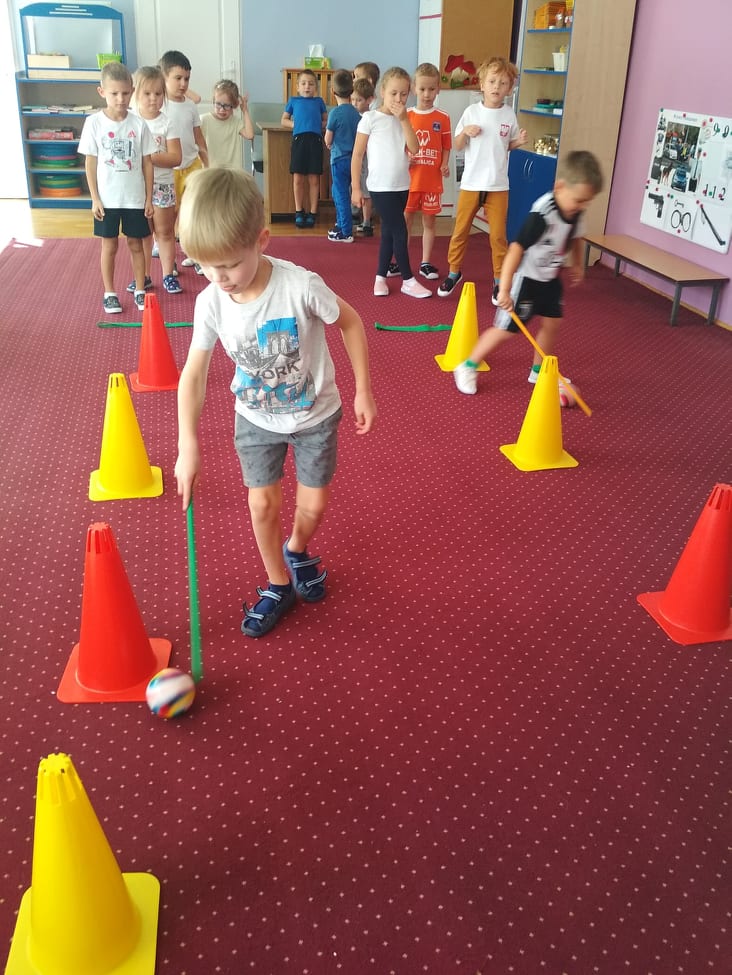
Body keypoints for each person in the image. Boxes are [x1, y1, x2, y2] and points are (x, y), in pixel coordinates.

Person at [174, 168, 377, 638]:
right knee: (261, 503)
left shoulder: (300, 286)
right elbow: (194, 374)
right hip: (255, 419)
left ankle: (297, 548)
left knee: (313, 505)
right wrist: (188, 443)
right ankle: (278, 582)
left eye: (229, 264)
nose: (218, 278)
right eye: (204, 266)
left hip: (314, 416)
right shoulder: (211, 302)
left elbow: (351, 322)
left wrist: (363, 388)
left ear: (261, 241)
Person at [452, 150, 603, 397]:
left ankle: (538, 370)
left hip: (550, 278)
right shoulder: (543, 214)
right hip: (525, 280)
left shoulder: (575, 211)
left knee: (553, 323)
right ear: (560, 187)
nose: (582, 207)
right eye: (578, 200)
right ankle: (468, 366)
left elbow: (576, 237)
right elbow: (515, 250)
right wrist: (504, 289)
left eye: (587, 202)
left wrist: (577, 264)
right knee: (506, 330)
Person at [437, 57, 527, 301]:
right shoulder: (472, 112)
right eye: (492, 81)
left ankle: (499, 281)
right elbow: (457, 145)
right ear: (482, 84)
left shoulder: (509, 115)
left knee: (498, 237)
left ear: (510, 89)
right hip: (471, 184)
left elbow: (506, 145)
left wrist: (518, 142)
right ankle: (454, 272)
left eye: (503, 83)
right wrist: (465, 132)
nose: (497, 87)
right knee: (460, 231)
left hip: (498, 186)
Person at [79, 61, 155, 314]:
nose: (121, 99)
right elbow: (90, 162)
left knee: (136, 244)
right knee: (109, 245)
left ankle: (140, 289)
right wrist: (94, 198)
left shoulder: (139, 124)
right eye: (114, 93)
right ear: (102, 92)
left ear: (132, 91)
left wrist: (148, 198)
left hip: (134, 198)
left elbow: (147, 163)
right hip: (107, 199)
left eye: (125, 93)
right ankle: (110, 293)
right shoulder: (93, 123)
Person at [350, 66, 431, 299]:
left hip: (402, 185)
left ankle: (380, 278)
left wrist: (404, 119)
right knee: (399, 230)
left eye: (404, 94)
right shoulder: (370, 119)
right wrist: (356, 187)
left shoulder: (405, 118)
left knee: (387, 231)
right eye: (394, 93)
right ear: (382, 92)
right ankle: (407, 279)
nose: (398, 99)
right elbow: (357, 155)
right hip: (380, 186)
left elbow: (414, 148)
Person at [130, 65, 183, 295]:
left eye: (158, 93)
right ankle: (143, 276)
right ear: (136, 93)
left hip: (162, 186)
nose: (153, 98)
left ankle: (168, 274)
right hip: (137, 188)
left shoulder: (167, 123)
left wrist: (149, 157)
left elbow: (176, 157)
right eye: (147, 93)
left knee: (165, 232)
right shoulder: (130, 121)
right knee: (143, 234)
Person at [159, 50, 209, 274]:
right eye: (177, 78)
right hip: (167, 171)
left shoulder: (190, 106)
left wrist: (207, 163)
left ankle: (195, 255)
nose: (183, 83)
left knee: (192, 214)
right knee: (169, 216)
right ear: (164, 77)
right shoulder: (159, 105)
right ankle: (168, 258)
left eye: (186, 79)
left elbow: (199, 138)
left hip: (192, 167)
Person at [405, 62, 452, 280]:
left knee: (429, 222)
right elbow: (400, 144)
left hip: (432, 182)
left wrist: (444, 164)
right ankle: (401, 260)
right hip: (409, 181)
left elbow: (446, 146)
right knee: (405, 221)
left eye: (431, 89)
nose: (426, 94)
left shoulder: (443, 117)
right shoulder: (407, 115)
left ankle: (425, 262)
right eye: (422, 89)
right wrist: (405, 158)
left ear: (438, 89)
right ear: (414, 88)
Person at [281, 70, 328, 228]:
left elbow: (326, 121)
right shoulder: (293, 100)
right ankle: (299, 211)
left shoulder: (319, 101)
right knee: (298, 178)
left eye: (311, 84)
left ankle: (313, 212)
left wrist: (318, 124)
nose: (307, 86)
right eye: (303, 83)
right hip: (299, 141)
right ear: (297, 87)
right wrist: (296, 124)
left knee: (314, 179)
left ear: (315, 87)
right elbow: (284, 120)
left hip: (315, 141)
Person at [324, 70, 361, 242]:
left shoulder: (335, 113)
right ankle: (340, 224)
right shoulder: (356, 113)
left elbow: (328, 138)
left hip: (339, 159)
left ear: (333, 91)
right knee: (339, 192)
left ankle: (346, 232)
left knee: (341, 195)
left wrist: (329, 143)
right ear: (351, 90)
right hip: (354, 161)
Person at [200, 79, 254, 170]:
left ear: (234, 105)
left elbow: (250, 135)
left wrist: (245, 110)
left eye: (227, 106)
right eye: (218, 104)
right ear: (213, 101)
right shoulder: (204, 120)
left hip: (232, 172)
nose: (222, 110)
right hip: (210, 171)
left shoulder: (235, 122)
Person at [350, 77, 376, 236]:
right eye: (352, 99)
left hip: (367, 159)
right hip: (355, 157)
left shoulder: (370, 117)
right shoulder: (352, 115)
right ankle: (356, 215)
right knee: (355, 186)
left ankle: (367, 222)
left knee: (366, 191)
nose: (354, 103)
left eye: (359, 100)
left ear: (369, 100)